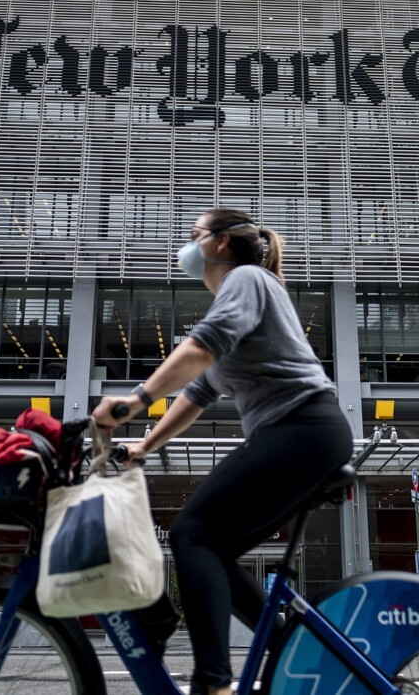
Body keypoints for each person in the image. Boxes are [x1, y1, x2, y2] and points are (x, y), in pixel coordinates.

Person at [94, 208, 353, 695]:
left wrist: (135, 400)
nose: (186, 246)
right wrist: (145, 445)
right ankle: (286, 644)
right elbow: (198, 392)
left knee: (191, 535)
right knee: (216, 548)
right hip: (301, 433)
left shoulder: (246, 279)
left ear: (221, 242)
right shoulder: (242, 297)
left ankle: (213, 683)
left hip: (301, 428)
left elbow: (200, 350)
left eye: (194, 235)